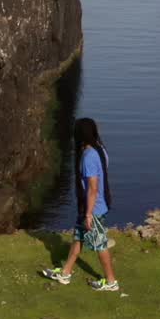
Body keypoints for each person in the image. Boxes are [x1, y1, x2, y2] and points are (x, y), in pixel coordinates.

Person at [41, 117, 119, 291]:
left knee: (100, 245)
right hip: (92, 206)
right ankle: (66, 273)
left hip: (93, 209)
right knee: (78, 238)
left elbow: (92, 188)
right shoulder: (100, 150)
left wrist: (89, 214)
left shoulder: (88, 157)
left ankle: (111, 281)